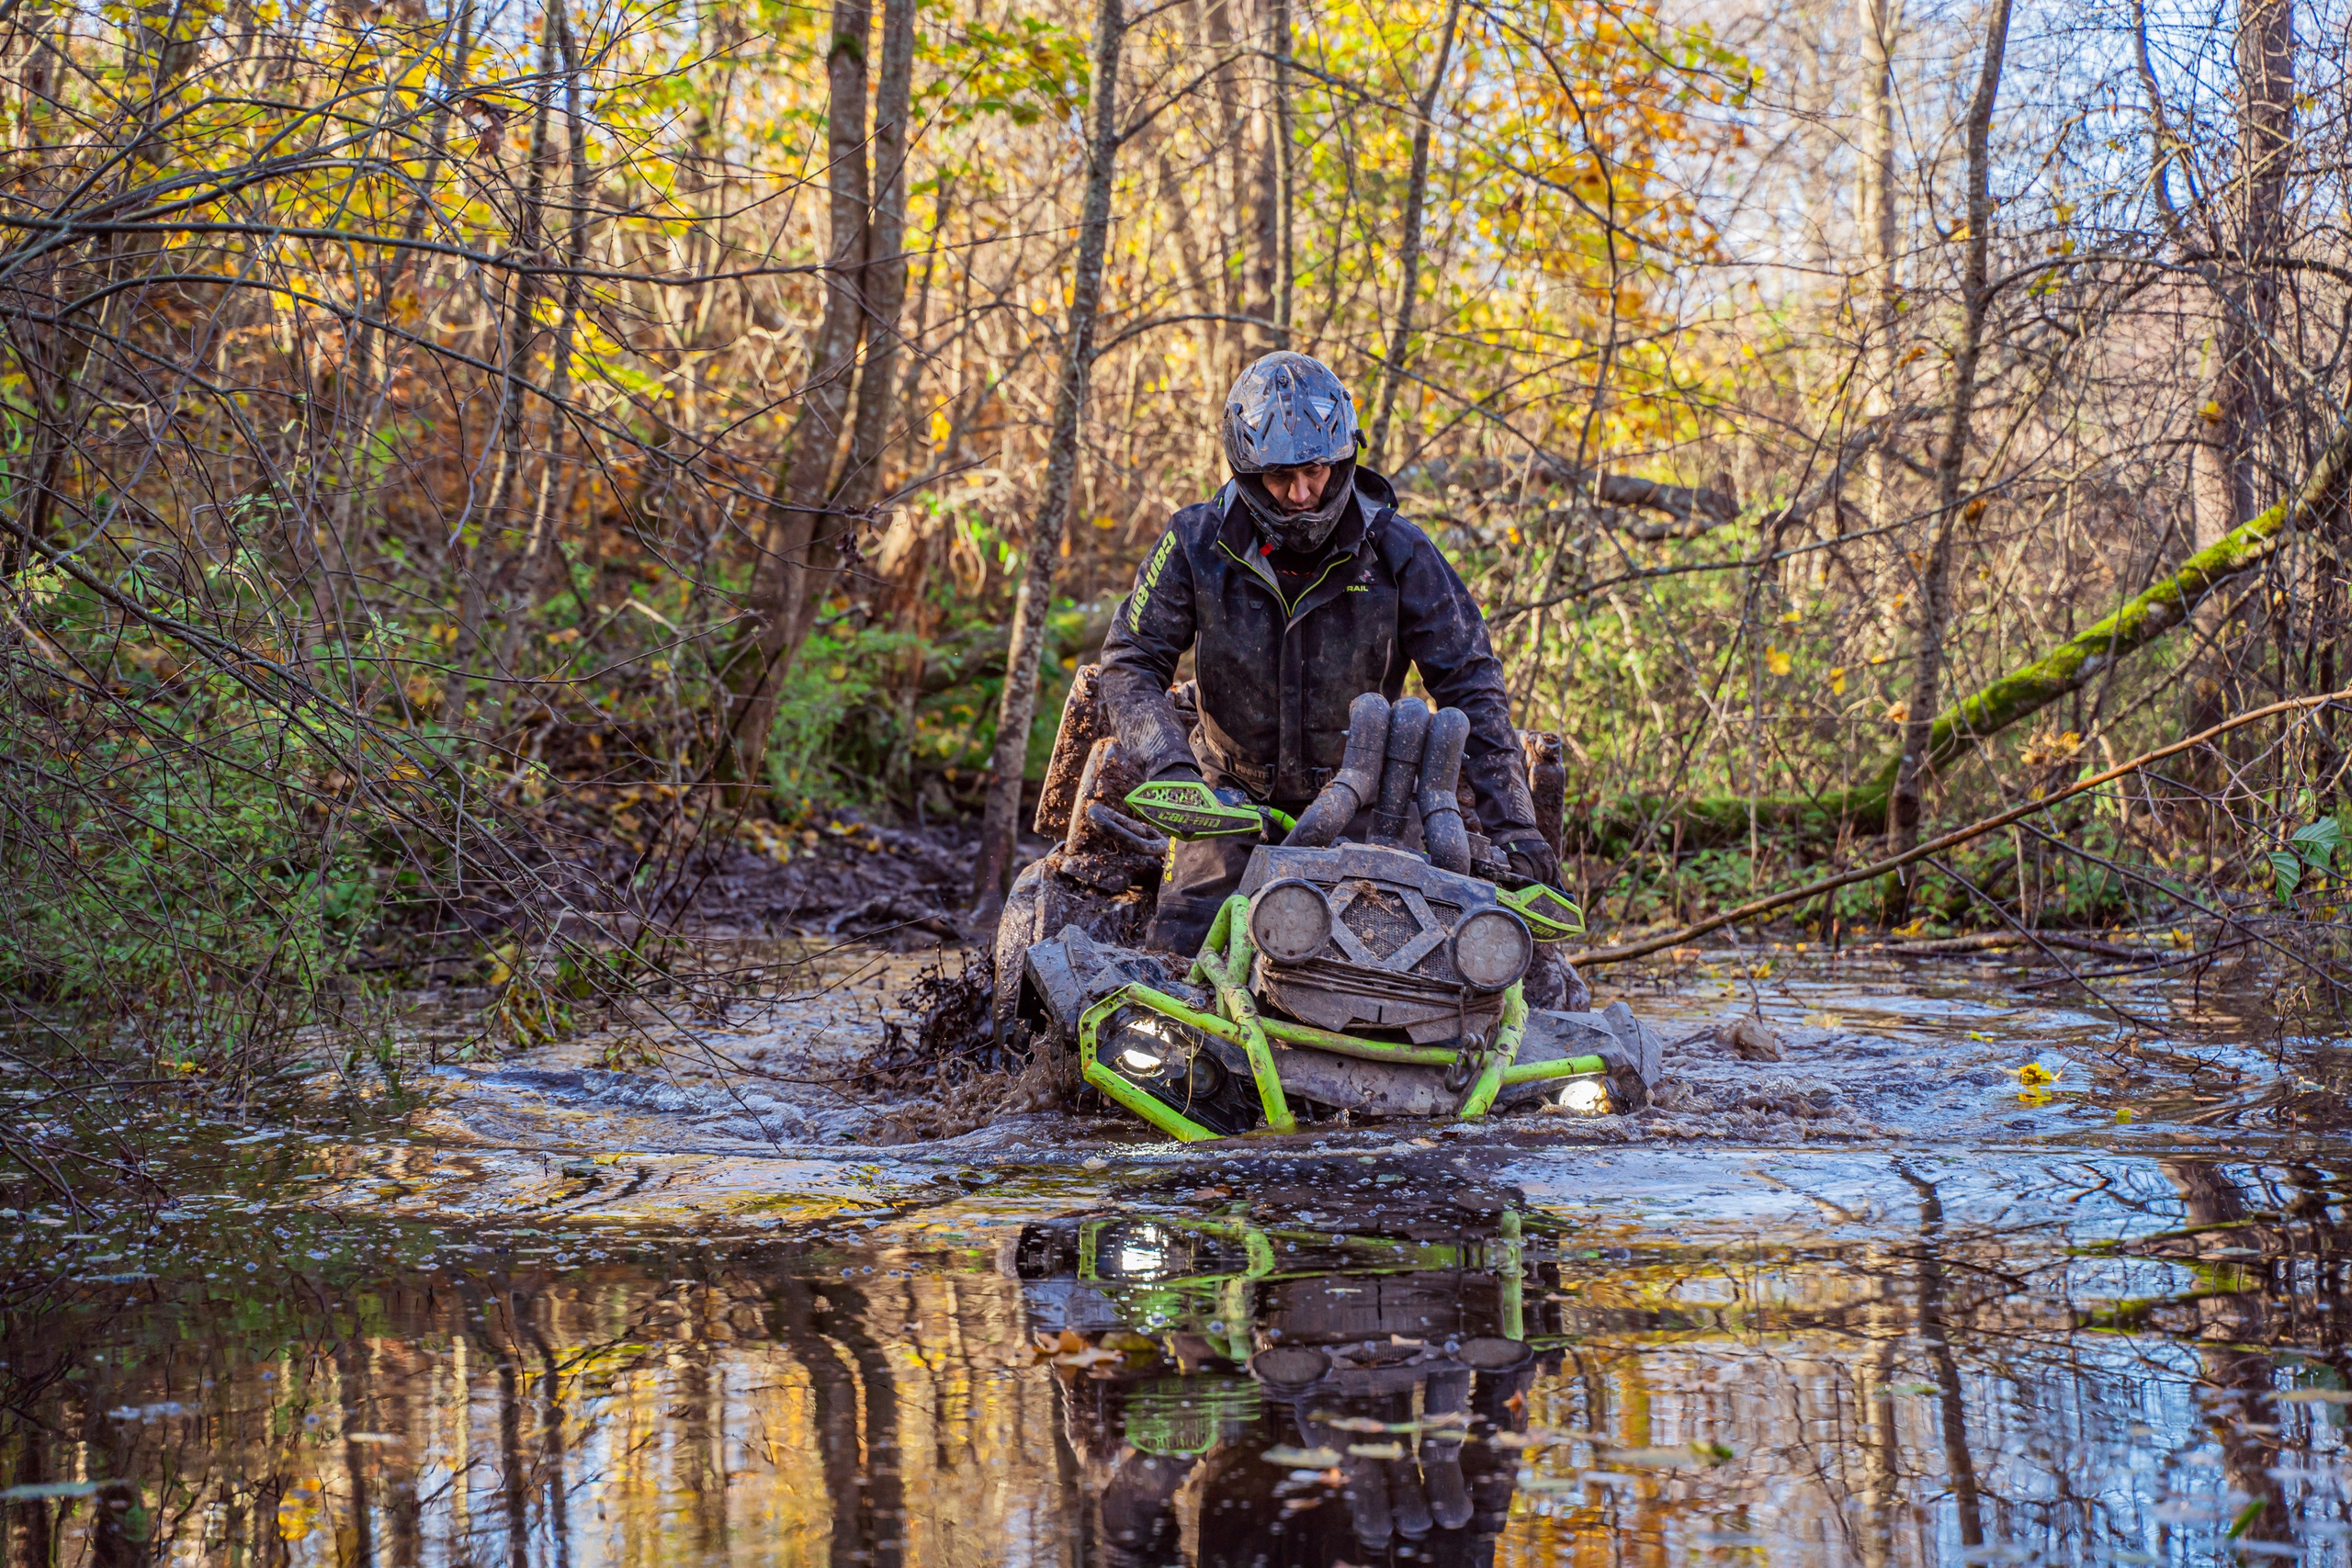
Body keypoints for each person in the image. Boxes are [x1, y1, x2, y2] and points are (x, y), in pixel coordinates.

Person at [1098, 350, 1561, 954]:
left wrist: (1516, 828)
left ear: (1341, 459)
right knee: (1181, 966)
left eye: (1315, 470)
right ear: (1246, 470)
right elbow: (1131, 658)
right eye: (1280, 477)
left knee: (1409, 972)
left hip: (1369, 807)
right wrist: (1174, 773)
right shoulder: (1196, 540)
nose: (1301, 494)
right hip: (1226, 807)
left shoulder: (1398, 549)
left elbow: (1471, 681)